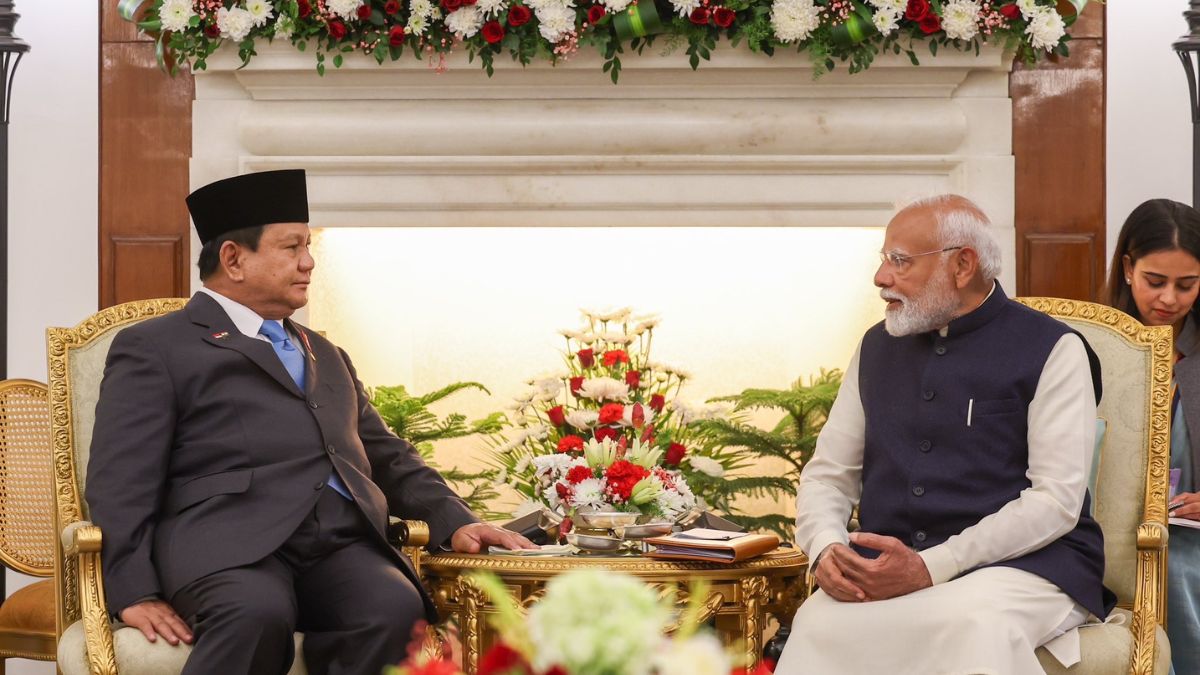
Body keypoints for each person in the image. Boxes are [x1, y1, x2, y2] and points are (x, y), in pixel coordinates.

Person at [85, 169, 535, 675]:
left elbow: (386, 454)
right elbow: (120, 479)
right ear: (233, 258)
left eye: (309, 244)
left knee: (392, 610)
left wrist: (459, 521)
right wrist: (131, 591)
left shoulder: (325, 351)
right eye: (291, 246)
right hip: (224, 547)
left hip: (338, 545)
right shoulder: (157, 347)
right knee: (256, 613)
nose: (308, 262)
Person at [775, 195, 1114, 674]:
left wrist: (934, 565)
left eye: (900, 262)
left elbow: (1055, 501)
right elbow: (829, 475)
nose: (881, 278)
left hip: (1028, 566)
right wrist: (826, 546)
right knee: (817, 624)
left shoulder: (1053, 349)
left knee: (971, 623)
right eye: (884, 260)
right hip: (889, 566)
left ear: (962, 265)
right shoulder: (875, 348)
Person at [1104, 198, 1200, 675]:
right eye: (1155, 282)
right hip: (1107, 532)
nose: (1169, 300)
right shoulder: (1091, 345)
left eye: (1187, 285)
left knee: (1178, 572)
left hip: (1190, 538)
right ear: (1127, 268)